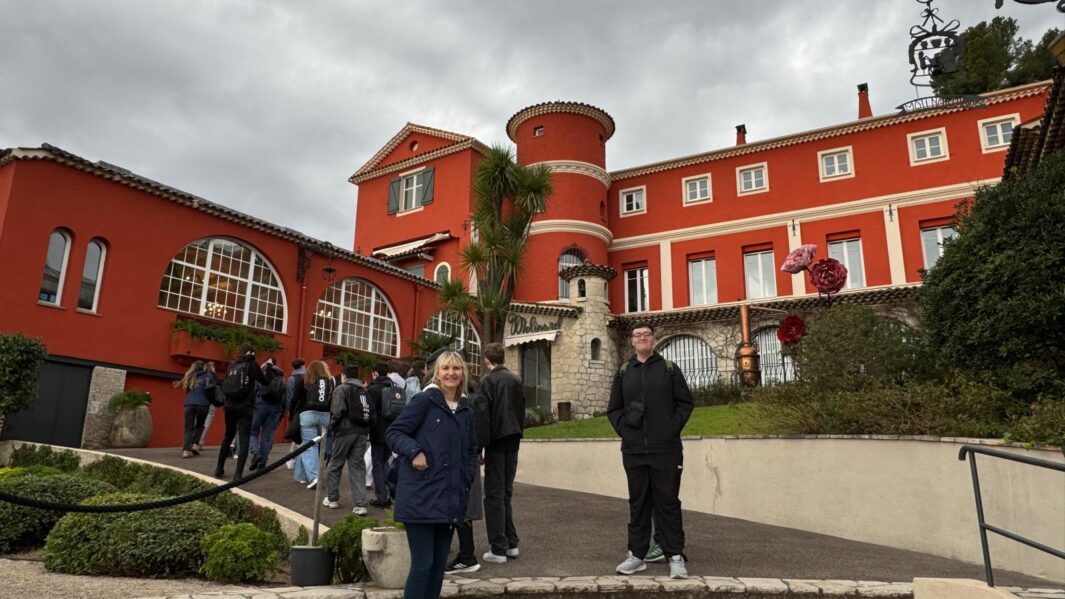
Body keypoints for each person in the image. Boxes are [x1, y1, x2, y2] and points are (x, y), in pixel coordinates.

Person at [386, 350, 477, 599]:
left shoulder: (466, 410)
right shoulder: (425, 401)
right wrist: (415, 451)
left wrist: (466, 478)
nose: (451, 373)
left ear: (463, 373)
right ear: (436, 373)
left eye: (456, 368)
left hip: (450, 499)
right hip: (420, 496)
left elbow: (471, 450)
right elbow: (394, 433)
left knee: (438, 568)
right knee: (423, 564)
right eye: (445, 368)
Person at [607, 322, 694, 579]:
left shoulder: (669, 369)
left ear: (653, 339)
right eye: (637, 335)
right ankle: (636, 555)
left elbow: (685, 403)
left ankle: (675, 556)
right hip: (634, 451)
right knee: (639, 503)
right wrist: (625, 430)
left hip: (666, 449)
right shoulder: (623, 372)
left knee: (667, 503)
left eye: (646, 334)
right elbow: (614, 409)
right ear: (632, 342)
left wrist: (669, 429)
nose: (642, 338)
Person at [478, 342, 525, 564]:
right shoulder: (516, 379)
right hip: (513, 438)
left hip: (496, 440)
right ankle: (510, 543)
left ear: (488, 360)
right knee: (505, 492)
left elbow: (483, 416)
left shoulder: (488, 381)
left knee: (494, 494)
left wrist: (479, 447)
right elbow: (520, 409)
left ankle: (498, 548)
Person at [445, 374, 490, 575]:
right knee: (461, 509)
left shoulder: (463, 402)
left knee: (459, 509)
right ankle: (465, 555)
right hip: (470, 459)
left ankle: (467, 557)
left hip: (462, 461)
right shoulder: (476, 397)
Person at [214, 344, 270, 481]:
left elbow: (225, 384)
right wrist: (267, 370)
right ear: (251, 352)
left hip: (230, 405)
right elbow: (265, 382)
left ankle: (219, 468)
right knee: (244, 439)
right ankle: (237, 474)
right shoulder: (253, 365)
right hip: (246, 406)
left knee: (228, 435)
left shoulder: (233, 365)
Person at [323, 364, 373, 514]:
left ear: (344, 376)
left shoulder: (341, 389)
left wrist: (331, 426)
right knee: (357, 467)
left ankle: (332, 498)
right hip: (362, 433)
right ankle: (361, 504)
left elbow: (337, 412)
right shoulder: (364, 391)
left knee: (335, 464)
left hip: (344, 432)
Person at [299, 360, 335, 490]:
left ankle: (314, 477)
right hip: (325, 416)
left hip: (308, 415)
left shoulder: (305, 381)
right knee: (321, 447)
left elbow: (297, 399)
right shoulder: (329, 382)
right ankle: (303, 475)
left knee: (309, 446)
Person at [367, 362, 397, 507]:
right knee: (385, 461)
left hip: (378, 430)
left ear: (376, 373)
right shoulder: (394, 387)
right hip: (392, 430)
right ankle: (392, 488)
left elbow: (370, 412)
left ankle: (381, 497)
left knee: (377, 463)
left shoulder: (373, 389)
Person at [249, 357, 285, 471]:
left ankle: (255, 451)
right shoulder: (281, 377)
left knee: (253, 431)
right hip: (275, 408)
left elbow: (254, 390)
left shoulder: (263, 374)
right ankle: (262, 462)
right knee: (267, 436)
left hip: (260, 405)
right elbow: (283, 396)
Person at [176, 360, 212, 458]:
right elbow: (210, 390)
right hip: (203, 404)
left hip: (189, 404)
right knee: (200, 426)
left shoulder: (189, 376)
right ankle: (195, 445)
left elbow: (187, 391)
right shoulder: (208, 376)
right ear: (203, 367)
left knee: (189, 427)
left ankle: (186, 450)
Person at [286, 358, 308, 481]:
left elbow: (290, 397)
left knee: (296, 437)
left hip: (295, 410)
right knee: (301, 438)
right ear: (303, 366)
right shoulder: (307, 378)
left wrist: (290, 411)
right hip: (304, 409)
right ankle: (295, 461)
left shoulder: (290, 379)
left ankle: (291, 460)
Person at [196, 361, 221, 450]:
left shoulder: (202, 376)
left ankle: (196, 441)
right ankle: (199, 442)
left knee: (197, 422)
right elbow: (219, 387)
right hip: (211, 403)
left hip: (201, 402)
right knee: (206, 423)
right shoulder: (214, 377)